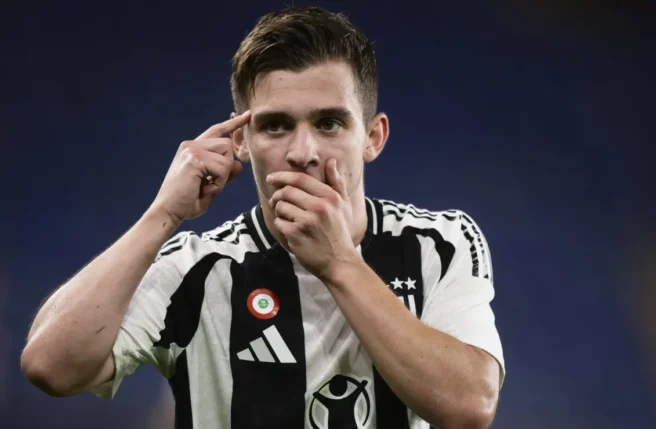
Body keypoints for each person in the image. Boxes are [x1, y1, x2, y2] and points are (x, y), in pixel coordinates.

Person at [21, 6, 505, 429]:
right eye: (276, 125)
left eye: (329, 123)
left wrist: (340, 263)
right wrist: (162, 214)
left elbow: (469, 406)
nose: (303, 152)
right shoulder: (197, 268)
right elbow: (49, 365)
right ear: (241, 142)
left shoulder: (438, 243)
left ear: (372, 137)